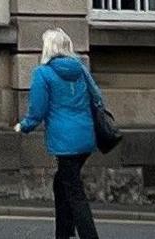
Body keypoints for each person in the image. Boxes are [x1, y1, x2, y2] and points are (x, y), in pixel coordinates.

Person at [19, 28, 107, 239]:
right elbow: (98, 97)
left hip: (64, 141)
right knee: (62, 184)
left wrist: (24, 126)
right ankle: (63, 233)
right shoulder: (81, 69)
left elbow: (38, 110)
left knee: (74, 191)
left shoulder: (43, 73)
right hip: (86, 137)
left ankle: (89, 236)